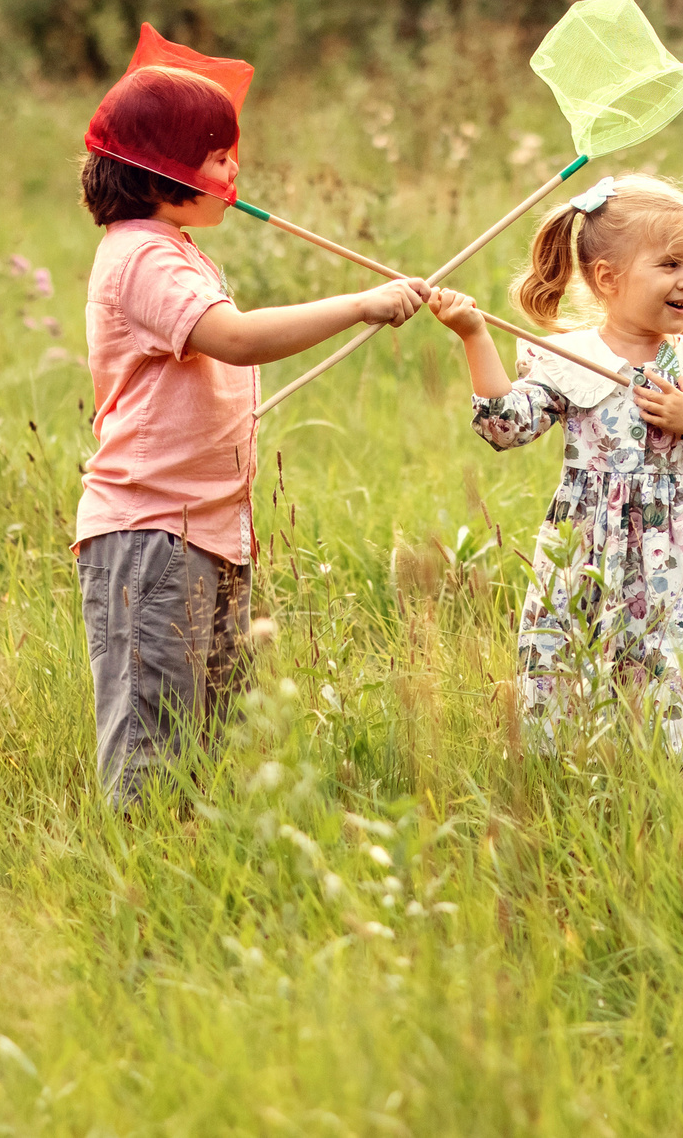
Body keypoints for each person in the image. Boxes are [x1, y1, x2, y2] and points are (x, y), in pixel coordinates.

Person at [74, 60, 427, 808]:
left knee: (211, 735)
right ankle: (144, 885)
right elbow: (231, 338)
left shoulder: (174, 250)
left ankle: (196, 873)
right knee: (153, 742)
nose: (235, 165)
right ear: (161, 166)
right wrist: (358, 305)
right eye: (216, 151)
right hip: (151, 535)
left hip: (205, 532)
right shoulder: (140, 256)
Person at [428, 173, 683, 752]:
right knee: (583, 667)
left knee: (677, 674)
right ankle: (584, 773)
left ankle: (681, 782)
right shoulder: (568, 358)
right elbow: (506, 426)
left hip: (681, 562)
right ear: (608, 278)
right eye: (670, 265)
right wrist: (473, 336)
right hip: (587, 554)